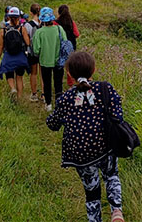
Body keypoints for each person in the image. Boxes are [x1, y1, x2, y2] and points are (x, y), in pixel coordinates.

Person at [47, 52, 125, 222]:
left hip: (81, 154)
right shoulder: (105, 88)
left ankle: (94, 219)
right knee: (111, 175)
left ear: (69, 74)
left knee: (91, 192)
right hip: (105, 146)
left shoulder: (65, 98)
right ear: (94, 70)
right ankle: (116, 211)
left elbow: (52, 124)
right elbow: (118, 117)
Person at [33, 7, 67, 112]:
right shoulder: (59, 29)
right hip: (59, 61)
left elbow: (36, 50)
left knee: (47, 83)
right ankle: (59, 104)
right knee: (58, 83)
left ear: (42, 19)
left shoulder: (39, 32)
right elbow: (65, 42)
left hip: (45, 61)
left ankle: (48, 104)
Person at [0, 7, 30, 99]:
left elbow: (0, 47)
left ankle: (12, 88)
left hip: (8, 56)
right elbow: (28, 43)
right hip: (20, 56)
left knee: (9, 75)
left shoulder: (3, 30)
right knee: (19, 77)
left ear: (8, 17)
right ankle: (19, 97)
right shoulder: (22, 29)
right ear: (19, 17)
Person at [57, 4, 79, 88]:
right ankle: (71, 84)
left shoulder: (56, 23)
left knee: (59, 65)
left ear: (59, 12)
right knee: (70, 66)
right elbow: (77, 34)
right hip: (71, 47)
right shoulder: (71, 22)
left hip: (60, 47)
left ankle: (60, 83)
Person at [25, 4, 42, 102]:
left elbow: (27, 40)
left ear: (31, 12)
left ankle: (34, 94)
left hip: (33, 51)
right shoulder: (44, 23)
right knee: (43, 74)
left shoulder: (28, 25)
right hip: (43, 51)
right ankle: (44, 94)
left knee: (34, 73)